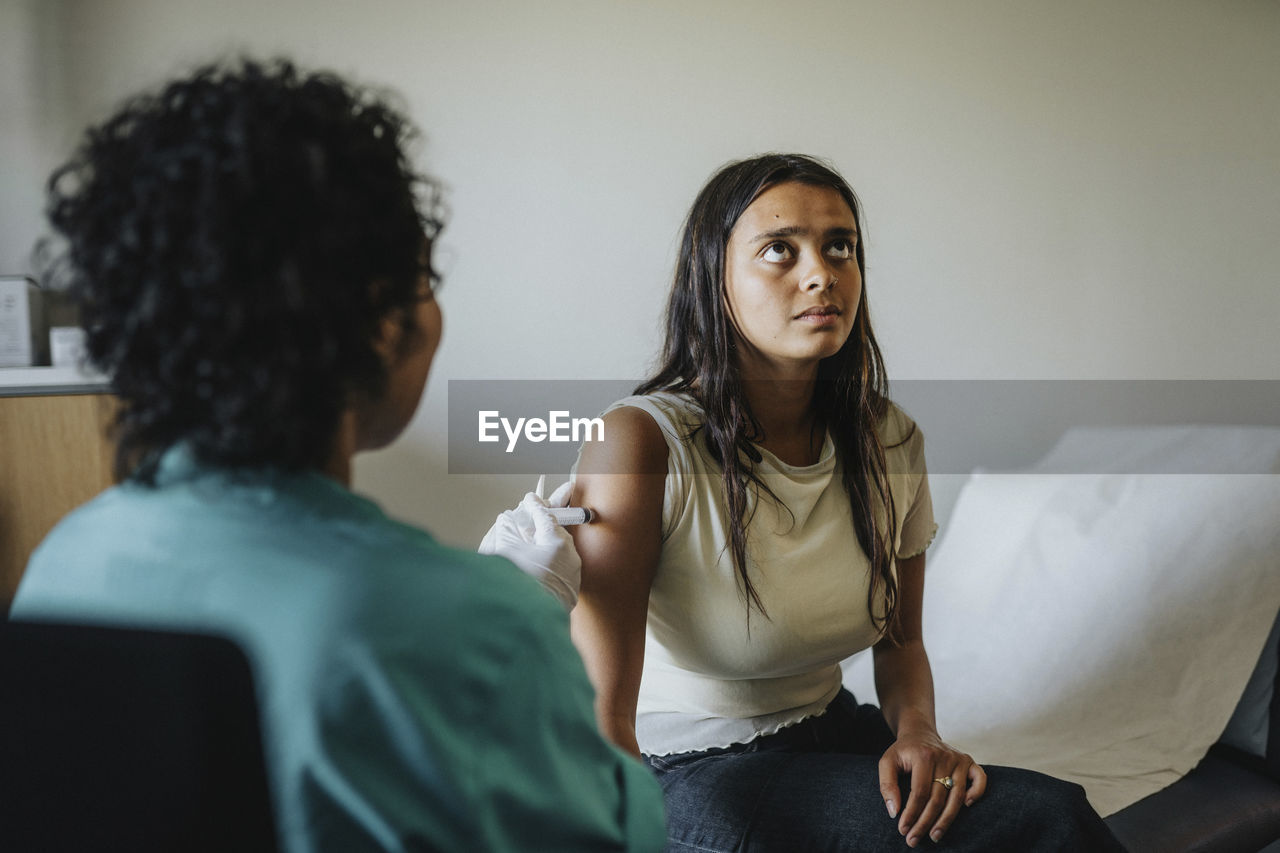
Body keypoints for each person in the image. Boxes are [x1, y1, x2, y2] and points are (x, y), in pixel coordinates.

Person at [11, 58, 664, 852]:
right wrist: (518, 615)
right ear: (383, 322)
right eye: (423, 277)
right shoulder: (472, 628)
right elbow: (610, 830)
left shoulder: (63, 562)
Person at [567, 154, 1125, 852]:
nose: (821, 273)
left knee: (1012, 804)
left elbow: (901, 642)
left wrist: (919, 732)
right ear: (715, 277)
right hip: (688, 771)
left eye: (841, 246)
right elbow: (602, 720)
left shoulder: (888, 439)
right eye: (780, 249)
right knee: (1045, 817)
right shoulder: (642, 442)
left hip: (831, 726)